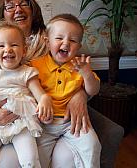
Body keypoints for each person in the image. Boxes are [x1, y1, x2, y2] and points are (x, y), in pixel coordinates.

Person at [0, 0, 91, 167]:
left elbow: (72, 71)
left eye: (23, 4)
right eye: (10, 6)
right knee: (3, 161)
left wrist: (80, 94)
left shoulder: (51, 40)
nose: (18, 9)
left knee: (61, 157)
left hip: (36, 120)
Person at [0, 21, 53, 168]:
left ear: (24, 50)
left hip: (21, 122)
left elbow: (40, 94)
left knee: (29, 158)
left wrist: (45, 99)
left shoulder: (27, 72)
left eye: (14, 45)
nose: (8, 49)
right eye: (1, 46)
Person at [30, 13, 101, 167]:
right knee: (38, 156)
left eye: (73, 40)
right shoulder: (35, 66)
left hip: (72, 122)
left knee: (93, 145)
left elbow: (93, 90)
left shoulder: (80, 66)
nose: (66, 43)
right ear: (47, 42)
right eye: (59, 38)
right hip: (43, 123)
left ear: (79, 47)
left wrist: (87, 74)